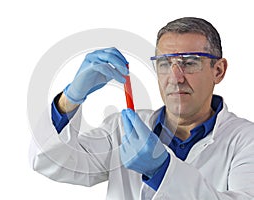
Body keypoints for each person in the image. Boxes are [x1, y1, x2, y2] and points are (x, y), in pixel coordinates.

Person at [30, 17, 254, 199]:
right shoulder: (122, 130)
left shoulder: (246, 140)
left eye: (190, 62)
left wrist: (162, 171)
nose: (175, 78)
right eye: (165, 64)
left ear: (218, 71)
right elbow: (49, 161)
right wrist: (70, 98)